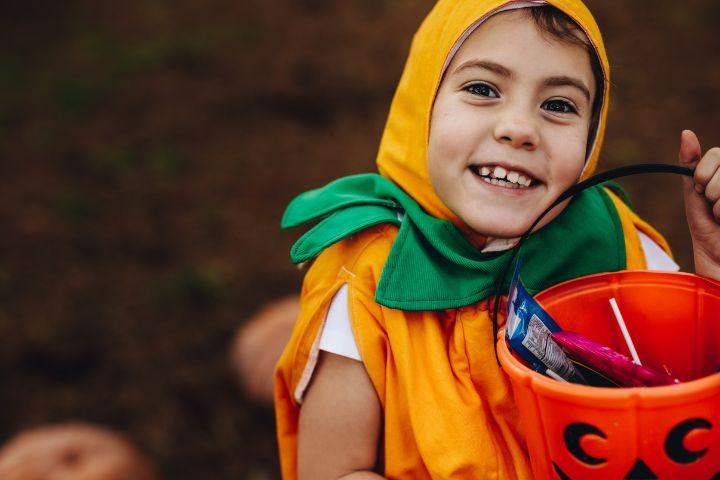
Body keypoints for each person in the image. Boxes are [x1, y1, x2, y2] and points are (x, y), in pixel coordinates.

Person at [274, 0, 720, 478]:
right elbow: (332, 471)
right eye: (483, 88)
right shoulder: (367, 278)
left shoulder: (617, 246)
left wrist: (713, 270)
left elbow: (695, 399)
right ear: (421, 105)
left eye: (559, 105)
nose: (519, 129)